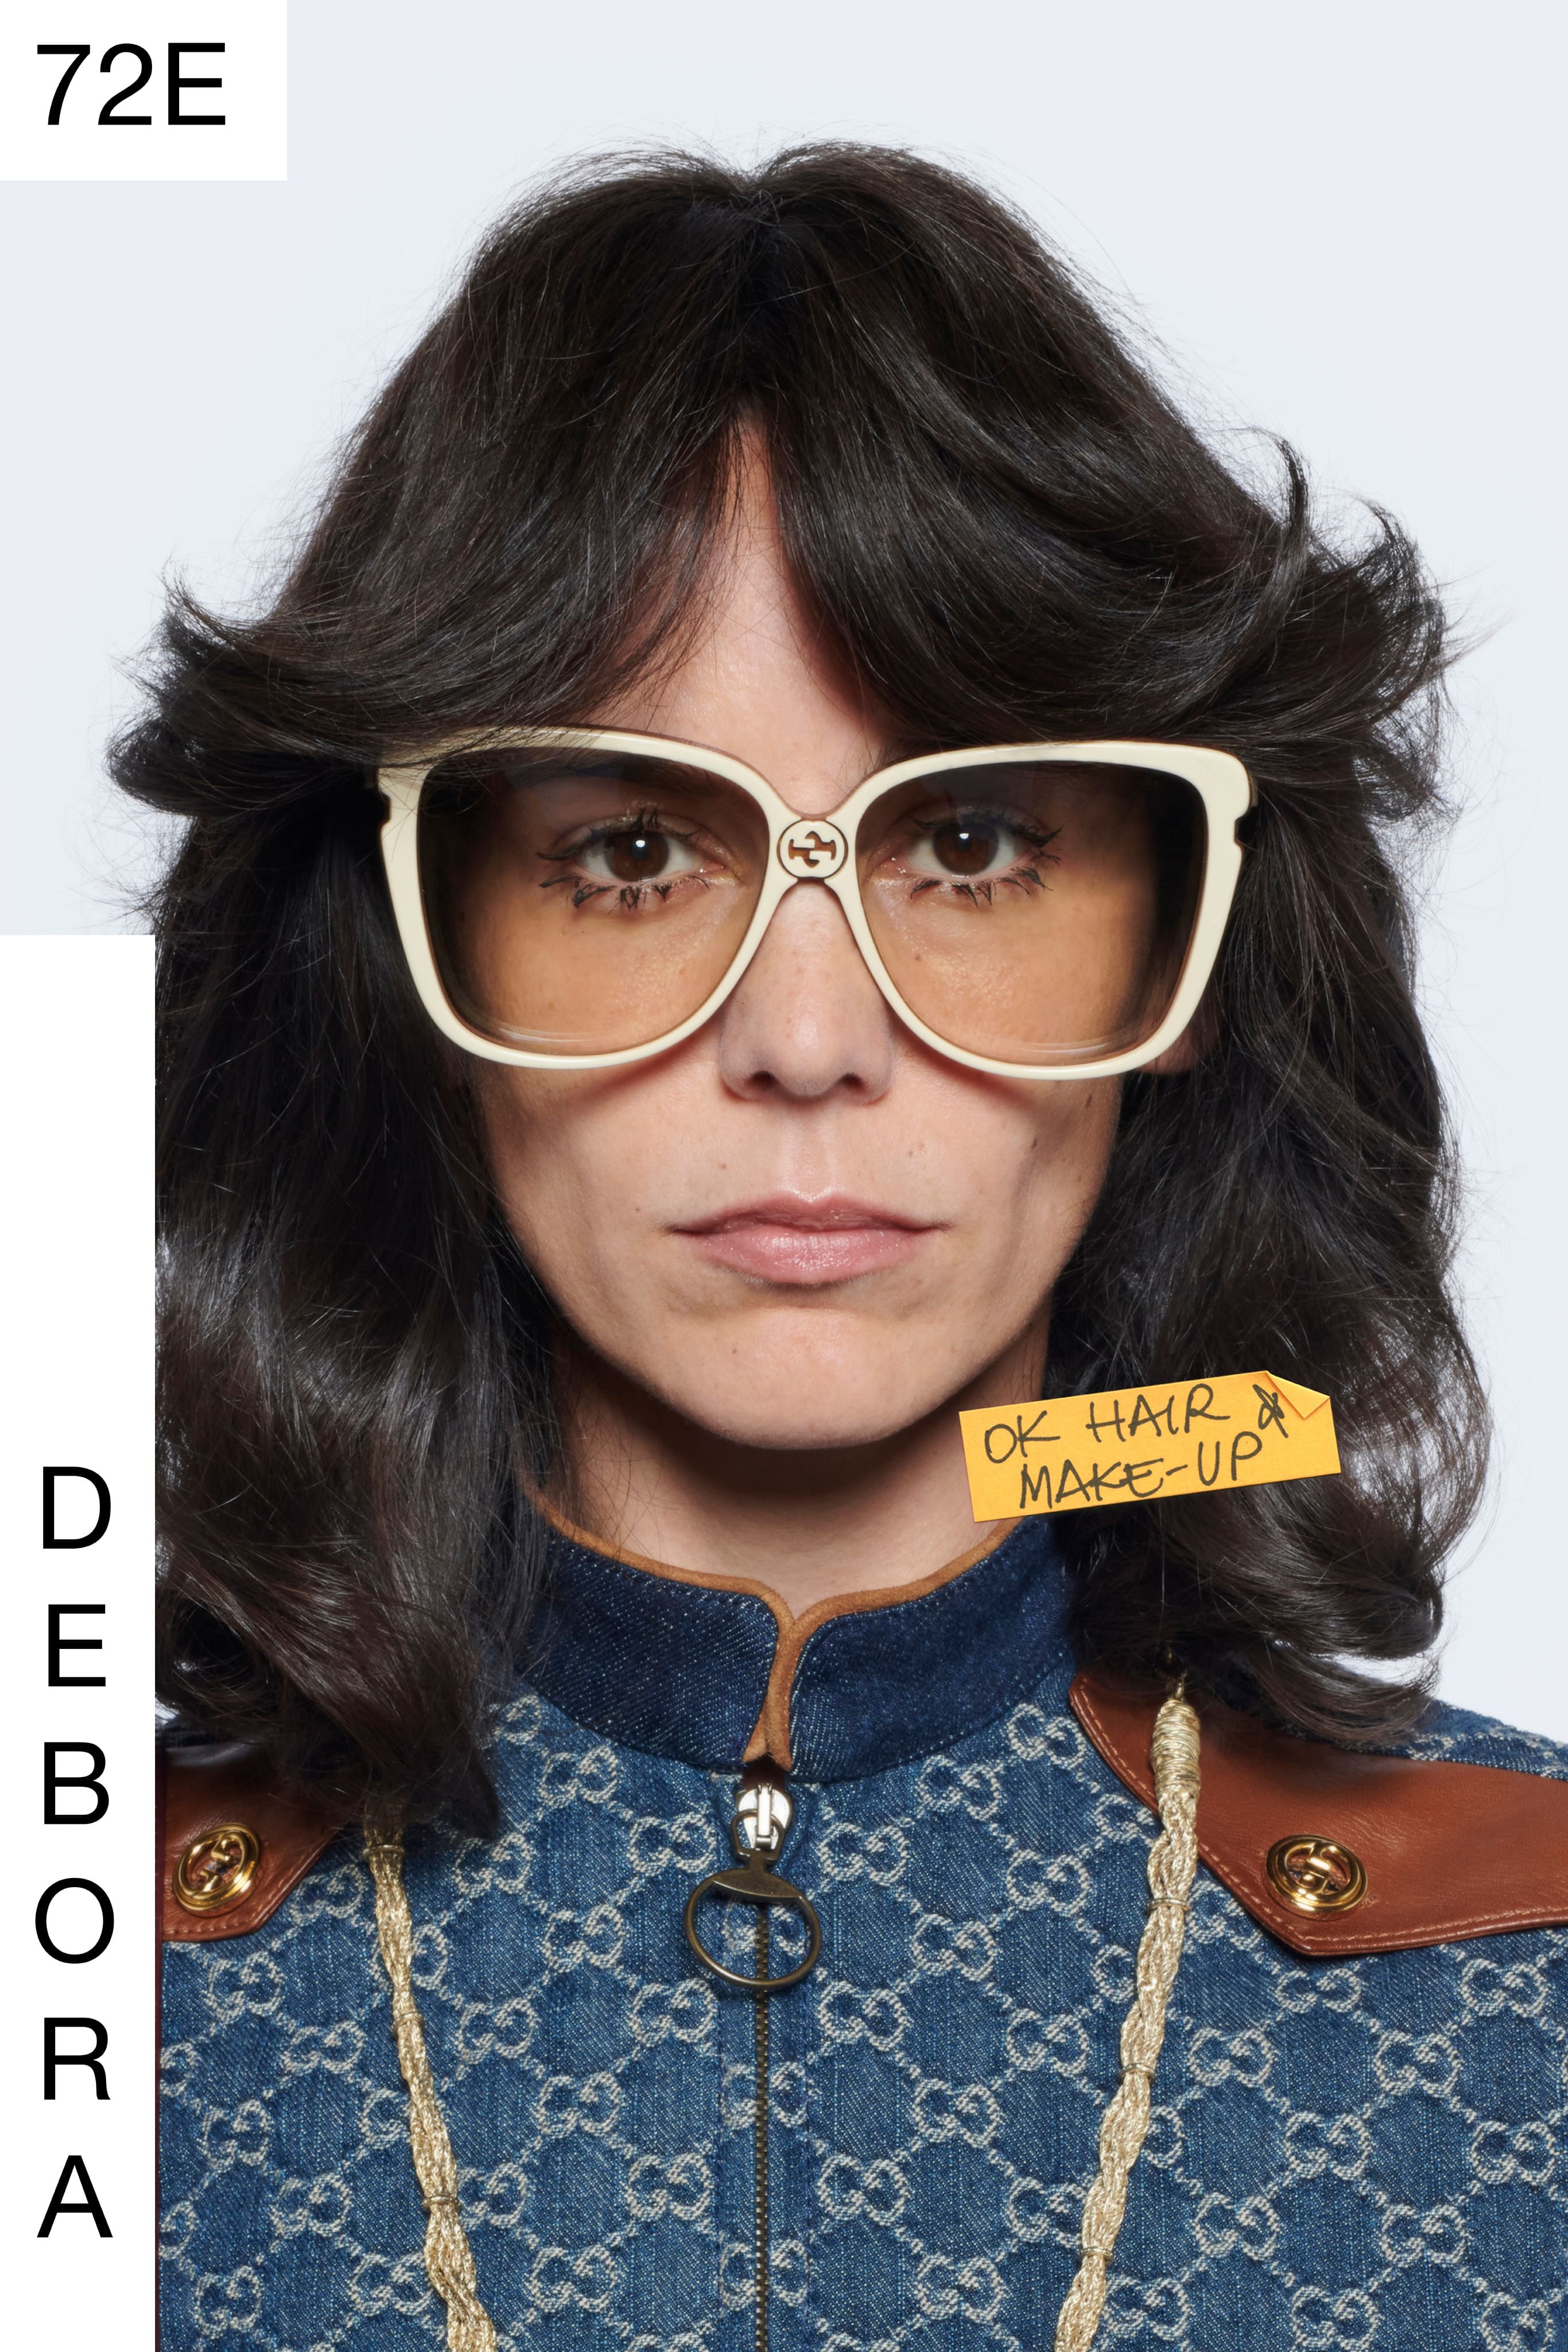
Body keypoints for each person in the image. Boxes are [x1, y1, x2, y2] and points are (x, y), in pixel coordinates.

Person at [134, 148, 1568, 2351]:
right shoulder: (77, 1979)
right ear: (405, 961)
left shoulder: (1524, 1967)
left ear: (1187, 954)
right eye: (630, 853)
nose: (805, 1041)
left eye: (971, 844)